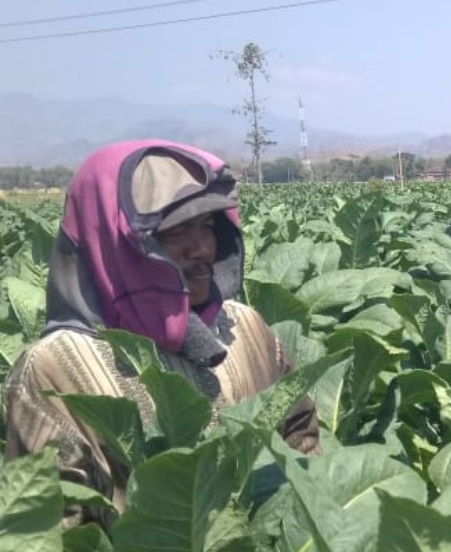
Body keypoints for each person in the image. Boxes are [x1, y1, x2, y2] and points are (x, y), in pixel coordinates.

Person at [3, 139, 319, 521]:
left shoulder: (244, 327)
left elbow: (302, 442)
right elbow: (52, 534)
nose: (201, 247)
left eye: (207, 225)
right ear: (110, 243)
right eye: (174, 231)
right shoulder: (54, 368)